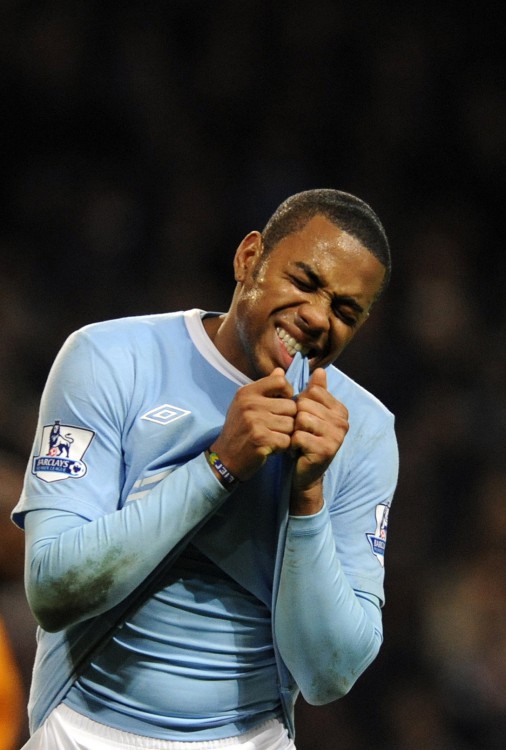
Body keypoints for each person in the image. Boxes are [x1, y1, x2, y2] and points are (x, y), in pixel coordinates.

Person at [11, 189, 398, 749]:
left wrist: (308, 494)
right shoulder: (109, 358)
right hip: (81, 730)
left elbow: (329, 673)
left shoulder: (361, 431)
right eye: (305, 281)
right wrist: (219, 466)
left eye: (344, 311)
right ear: (249, 259)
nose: (317, 318)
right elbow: (52, 587)